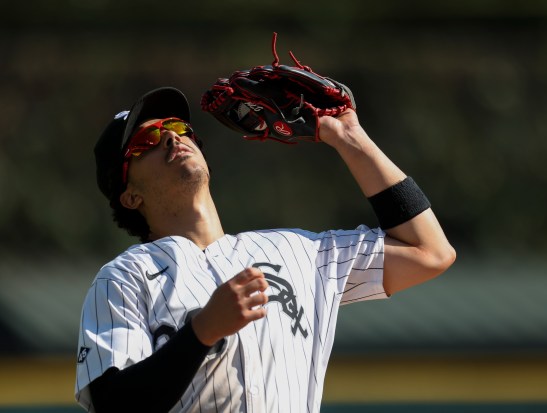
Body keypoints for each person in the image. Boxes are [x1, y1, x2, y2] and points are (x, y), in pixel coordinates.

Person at [74, 86, 456, 413]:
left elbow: (430, 252)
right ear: (129, 195)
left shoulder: (296, 250)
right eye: (147, 142)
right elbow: (114, 405)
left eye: (176, 128)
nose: (171, 138)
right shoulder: (124, 277)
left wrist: (350, 139)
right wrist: (201, 333)